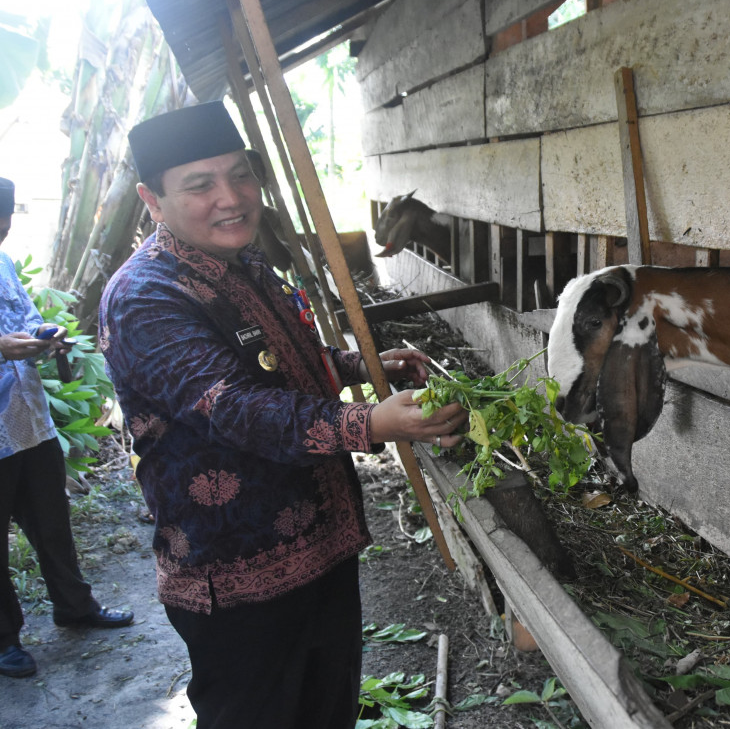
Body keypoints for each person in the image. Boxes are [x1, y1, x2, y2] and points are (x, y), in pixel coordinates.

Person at [98, 102, 466, 729]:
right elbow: (232, 407)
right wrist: (370, 424)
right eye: (201, 185)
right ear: (151, 199)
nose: (231, 198)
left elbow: (281, 359)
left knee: (329, 710)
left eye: (241, 176)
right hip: (238, 577)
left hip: (321, 543)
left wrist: (356, 365)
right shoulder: (146, 296)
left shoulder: (244, 262)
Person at [0, 177, 134, 680]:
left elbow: (24, 317)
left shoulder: (3, 262)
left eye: (5, 221)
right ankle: (4, 641)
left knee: (52, 523)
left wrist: (44, 334)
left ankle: (74, 607)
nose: (1, 231)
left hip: (28, 422)